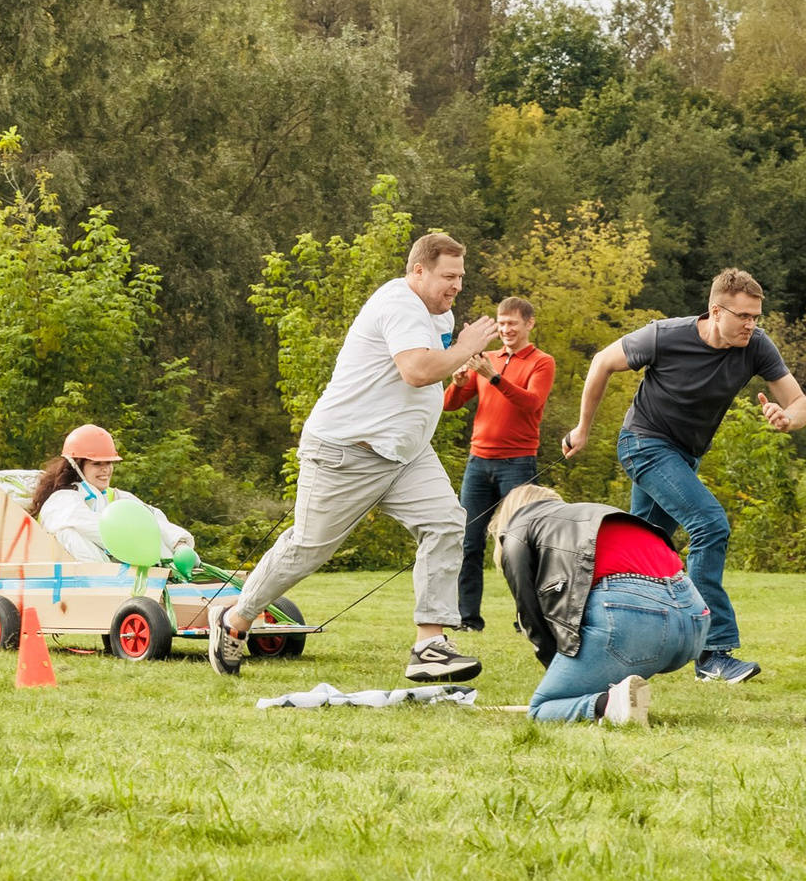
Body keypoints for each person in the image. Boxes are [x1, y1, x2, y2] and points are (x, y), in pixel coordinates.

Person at [210, 233, 498, 682]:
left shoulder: (436, 312)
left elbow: (426, 369)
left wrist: (456, 358)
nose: (457, 285)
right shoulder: (399, 305)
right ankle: (235, 619)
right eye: (449, 276)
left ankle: (429, 645)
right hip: (345, 454)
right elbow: (416, 371)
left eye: (461, 276)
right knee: (307, 550)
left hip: (405, 455)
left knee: (445, 524)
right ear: (418, 271)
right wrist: (464, 347)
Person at [559, 266, 806, 684]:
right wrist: (583, 428)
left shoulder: (756, 346)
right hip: (644, 443)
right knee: (710, 524)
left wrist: (788, 418)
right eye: (743, 316)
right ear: (717, 311)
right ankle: (713, 653)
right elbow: (602, 361)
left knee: (641, 552)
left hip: (685, 456)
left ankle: (582, 624)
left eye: (756, 317)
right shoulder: (665, 336)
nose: (751, 325)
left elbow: (800, 402)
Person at [490, 483, 707, 724]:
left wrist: (559, 670)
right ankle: (620, 696)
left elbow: (531, 614)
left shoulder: (519, 526)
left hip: (633, 620)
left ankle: (608, 705)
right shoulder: (593, 512)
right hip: (694, 622)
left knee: (542, 709)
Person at [442, 296, 554, 633]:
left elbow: (531, 404)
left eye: (512, 324)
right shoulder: (486, 359)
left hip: (518, 463)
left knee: (519, 544)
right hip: (478, 462)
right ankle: (468, 619)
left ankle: (527, 619)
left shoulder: (541, 362)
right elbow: (449, 405)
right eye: (501, 324)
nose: (506, 330)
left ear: (529, 324)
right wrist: (458, 382)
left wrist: (493, 377)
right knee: (469, 542)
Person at [28, 424, 194, 566]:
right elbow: (99, 529)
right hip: (80, 580)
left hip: (120, 578)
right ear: (76, 466)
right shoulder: (62, 500)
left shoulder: (114, 496)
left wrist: (180, 544)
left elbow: (151, 518)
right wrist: (137, 538)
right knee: (69, 532)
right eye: (97, 464)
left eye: (108, 463)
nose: (105, 469)